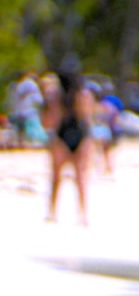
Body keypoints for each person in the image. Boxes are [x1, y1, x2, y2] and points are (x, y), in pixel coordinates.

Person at [42, 67, 95, 224]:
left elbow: (52, 119)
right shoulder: (83, 95)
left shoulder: (57, 97)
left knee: (56, 177)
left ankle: (52, 212)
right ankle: (82, 214)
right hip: (80, 134)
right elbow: (87, 116)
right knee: (80, 178)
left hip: (62, 134)